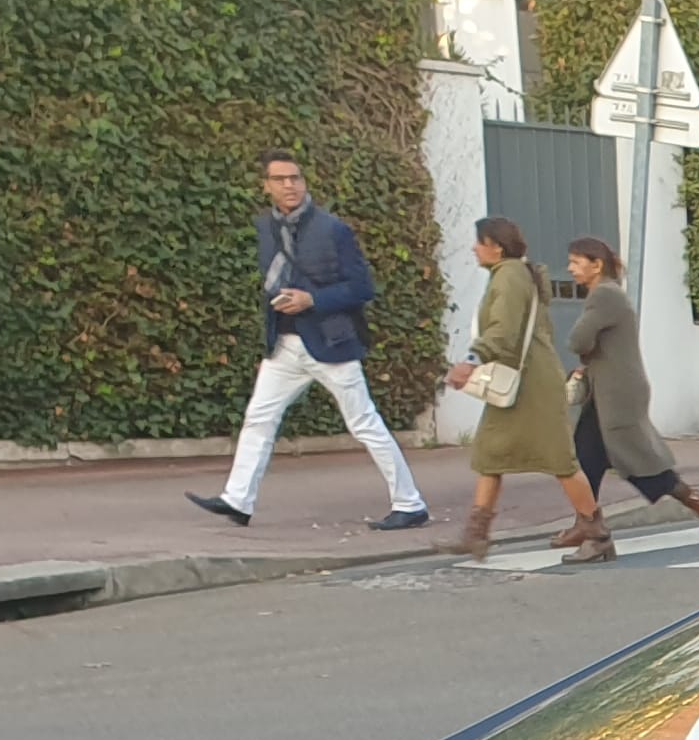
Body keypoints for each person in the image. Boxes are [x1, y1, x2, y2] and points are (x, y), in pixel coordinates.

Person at [192, 154, 430, 532]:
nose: (290, 186)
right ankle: (238, 499)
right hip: (284, 345)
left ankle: (410, 503)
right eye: (280, 179)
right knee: (259, 418)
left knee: (364, 422)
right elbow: (268, 285)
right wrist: (270, 337)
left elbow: (361, 288)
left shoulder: (333, 229)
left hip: (331, 343)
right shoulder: (265, 228)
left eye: (295, 178)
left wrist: (312, 300)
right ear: (265, 185)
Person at [440, 219, 607, 561]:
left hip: (532, 384)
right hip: (521, 380)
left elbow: (504, 330)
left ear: (496, 246)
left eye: (478, 242)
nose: (474, 248)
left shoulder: (510, 275)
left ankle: (597, 534)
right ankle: (476, 535)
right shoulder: (514, 272)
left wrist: (471, 360)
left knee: (559, 459)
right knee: (490, 453)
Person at [554, 239, 699, 555]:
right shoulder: (606, 294)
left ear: (596, 264)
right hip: (609, 392)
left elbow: (577, 340)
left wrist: (588, 350)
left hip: (618, 394)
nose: (571, 269)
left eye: (576, 262)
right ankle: (588, 526)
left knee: (638, 462)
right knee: (586, 458)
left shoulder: (604, 295)